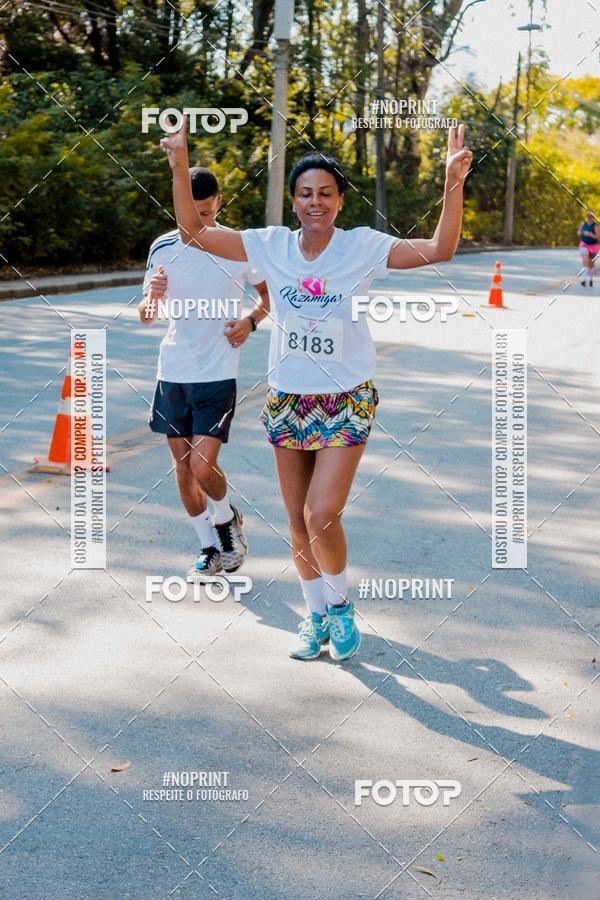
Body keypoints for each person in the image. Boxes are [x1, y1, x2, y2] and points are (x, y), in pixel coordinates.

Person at [160, 121, 472, 661]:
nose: (315, 202)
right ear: (294, 199)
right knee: (295, 519)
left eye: (325, 193)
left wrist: (451, 181)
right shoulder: (271, 243)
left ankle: (342, 606)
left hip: (346, 397)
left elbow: (440, 248)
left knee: (320, 514)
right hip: (289, 398)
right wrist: (179, 162)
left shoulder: (362, 247)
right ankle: (316, 616)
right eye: (305, 193)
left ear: (340, 200)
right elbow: (193, 231)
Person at [139, 167, 270, 580]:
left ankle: (227, 517)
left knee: (201, 466)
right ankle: (209, 546)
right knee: (182, 469)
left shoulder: (237, 246)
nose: (197, 224)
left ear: (219, 203)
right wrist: (151, 299)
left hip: (217, 372)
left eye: (205, 214)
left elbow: (269, 299)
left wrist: (249, 322)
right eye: (189, 215)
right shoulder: (162, 247)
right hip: (173, 369)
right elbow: (146, 315)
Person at [578, 211, 598, 287]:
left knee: (591, 264)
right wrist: (580, 232)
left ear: (593, 217)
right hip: (584, 245)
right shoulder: (583, 224)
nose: (589, 217)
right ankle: (584, 280)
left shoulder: (596, 226)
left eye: (591, 216)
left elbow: (597, 237)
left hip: (593, 246)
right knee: (585, 261)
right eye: (588, 216)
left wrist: (590, 234)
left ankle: (590, 279)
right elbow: (579, 232)